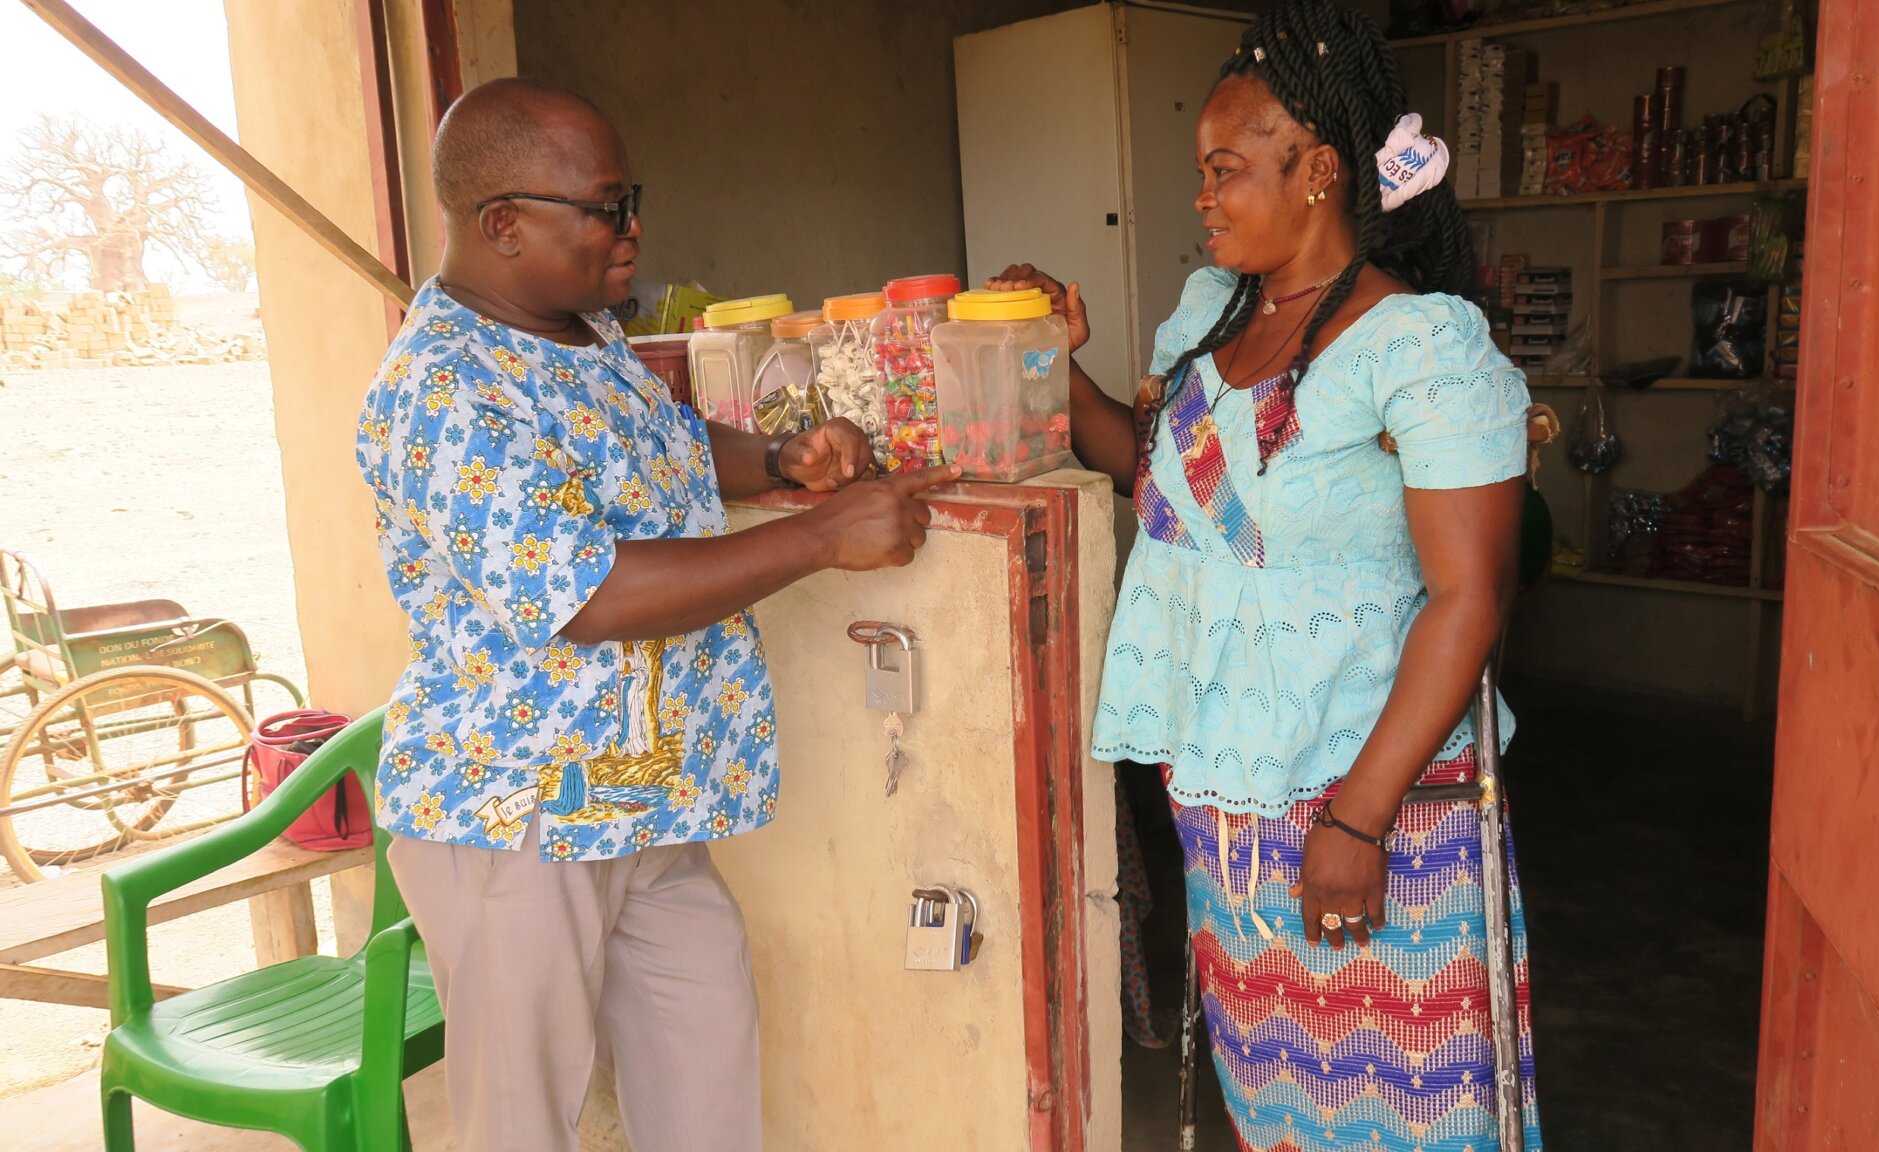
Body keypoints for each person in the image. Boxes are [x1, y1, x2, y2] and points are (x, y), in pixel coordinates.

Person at [354, 78, 958, 1152]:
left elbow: (664, 444)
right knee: (521, 1125)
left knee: (707, 1099)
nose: (634, 230)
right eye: (606, 207)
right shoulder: (443, 391)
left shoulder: (579, 337)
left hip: (648, 805)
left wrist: (776, 459)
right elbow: (585, 594)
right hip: (519, 816)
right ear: (503, 224)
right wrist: (820, 539)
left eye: (633, 198)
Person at [990, 2, 1544, 1148]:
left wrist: (1357, 818)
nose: (1202, 197)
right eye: (1201, 171)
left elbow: (1468, 598)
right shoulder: (1213, 314)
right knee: (1272, 1090)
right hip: (1227, 794)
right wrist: (1052, 358)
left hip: (1369, 803)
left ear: (1318, 172)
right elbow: (1160, 490)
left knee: (1405, 1097)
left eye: (1225, 169)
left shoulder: (1419, 347)